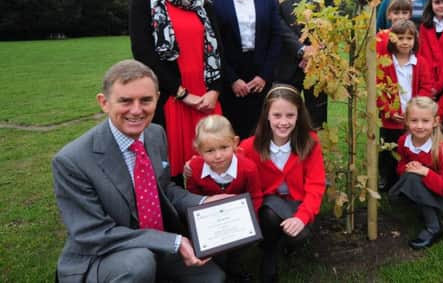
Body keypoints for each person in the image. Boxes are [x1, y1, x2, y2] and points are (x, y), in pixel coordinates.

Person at [52, 60, 225, 283]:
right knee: (139, 264)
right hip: (104, 255)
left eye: (146, 100)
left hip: (155, 244)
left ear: (157, 99)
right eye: (125, 101)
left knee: (212, 278)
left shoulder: (155, 134)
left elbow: (164, 189)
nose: (136, 110)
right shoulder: (71, 161)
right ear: (104, 102)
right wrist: (173, 242)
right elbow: (93, 234)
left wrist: (205, 202)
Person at [129, 0, 224, 184]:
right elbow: (143, 55)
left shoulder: (203, 4)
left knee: (213, 167)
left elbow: (218, 50)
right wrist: (182, 94)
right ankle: (178, 220)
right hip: (171, 97)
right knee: (171, 173)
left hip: (206, 99)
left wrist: (215, 91)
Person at [238, 85, 326, 283]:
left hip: (297, 203)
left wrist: (302, 217)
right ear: (267, 115)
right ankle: (269, 253)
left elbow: (316, 184)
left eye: (290, 115)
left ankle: (285, 242)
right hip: (267, 205)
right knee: (270, 212)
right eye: (277, 115)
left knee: (299, 235)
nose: (283, 122)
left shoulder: (309, 142)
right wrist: (194, 166)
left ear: (298, 115)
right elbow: (224, 161)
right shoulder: (249, 146)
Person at [212, 0, 281, 139]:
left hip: (260, 73)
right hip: (231, 73)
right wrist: (232, 79)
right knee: (232, 131)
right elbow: (214, 45)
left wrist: (264, 76)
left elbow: (275, 38)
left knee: (261, 130)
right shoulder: (215, 1)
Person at [267, 0, 334, 129]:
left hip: (318, 64)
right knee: (282, 119)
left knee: (316, 121)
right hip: (285, 64)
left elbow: (332, 22)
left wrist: (313, 52)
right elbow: (276, 20)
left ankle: (312, 156)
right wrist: (301, 49)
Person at [186, 115, 262, 282]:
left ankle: (235, 268)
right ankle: (219, 270)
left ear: (235, 143)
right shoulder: (195, 169)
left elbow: (255, 196)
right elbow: (192, 197)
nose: (218, 156)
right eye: (210, 150)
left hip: (238, 220)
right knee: (216, 251)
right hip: (211, 221)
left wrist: (250, 221)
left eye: (224, 147)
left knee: (238, 248)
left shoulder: (247, 169)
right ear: (198, 150)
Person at [388, 97, 443, 249]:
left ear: (435, 121)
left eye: (425, 121)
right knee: (411, 177)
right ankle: (422, 206)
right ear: (406, 121)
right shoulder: (404, 141)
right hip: (422, 185)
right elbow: (401, 165)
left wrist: (425, 172)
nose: (419, 126)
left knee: (413, 179)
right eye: (414, 121)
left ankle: (434, 228)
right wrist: (409, 166)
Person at [376, 20, 433, 191]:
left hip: (413, 117)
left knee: (408, 148)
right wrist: (389, 110)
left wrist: (415, 110)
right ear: (392, 39)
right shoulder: (385, 63)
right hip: (391, 118)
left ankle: (406, 179)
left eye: (409, 38)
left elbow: (426, 86)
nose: (405, 42)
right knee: (388, 149)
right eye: (400, 38)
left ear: (415, 40)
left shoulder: (420, 62)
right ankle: (386, 178)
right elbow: (378, 89)